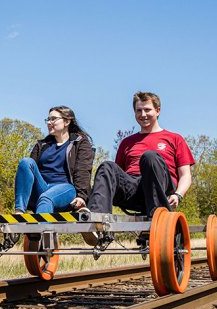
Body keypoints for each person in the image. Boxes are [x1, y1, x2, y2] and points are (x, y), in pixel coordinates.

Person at [83, 91, 195, 230]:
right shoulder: (127, 142)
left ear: (158, 111)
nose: (143, 115)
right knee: (107, 166)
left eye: (147, 110)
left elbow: (186, 175)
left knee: (150, 157)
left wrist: (178, 195)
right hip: (133, 190)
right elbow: (118, 176)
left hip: (160, 188)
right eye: (139, 111)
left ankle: (158, 220)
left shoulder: (174, 138)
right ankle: (97, 222)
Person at [14, 106, 94, 214]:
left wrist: (81, 196)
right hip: (43, 187)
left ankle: (43, 230)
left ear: (66, 122)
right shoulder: (41, 145)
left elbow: (83, 170)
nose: (49, 122)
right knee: (26, 162)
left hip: (65, 189)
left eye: (53, 119)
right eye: (48, 119)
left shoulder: (79, 143)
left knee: (46, 199)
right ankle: (19, 211)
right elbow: (29, 173)